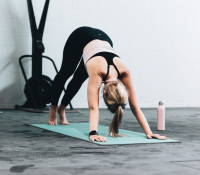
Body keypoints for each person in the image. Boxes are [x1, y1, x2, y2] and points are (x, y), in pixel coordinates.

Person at [48, 26, 168, 142]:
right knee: (66, 73)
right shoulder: (99, 71)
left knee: (78, 80)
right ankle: (53, 107)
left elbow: (135, 107)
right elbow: (93, 107)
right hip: (81, 36)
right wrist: (93, 133)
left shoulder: (125, 72)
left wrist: (149, 132)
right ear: (104, 92)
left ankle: (62, 108)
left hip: (104, 40)